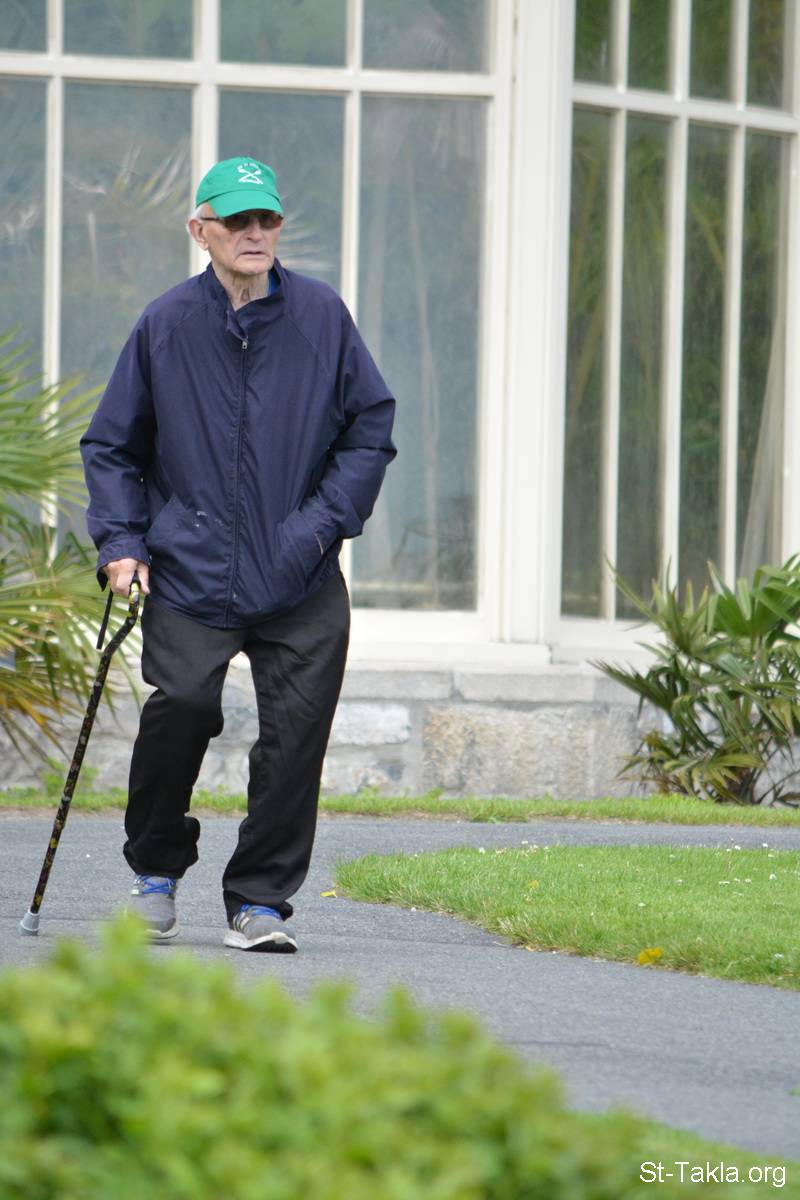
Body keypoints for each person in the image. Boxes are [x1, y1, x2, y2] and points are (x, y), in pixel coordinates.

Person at [80, 156, 396, 953]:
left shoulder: (322, 317)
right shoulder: (165, 324)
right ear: (202, 230)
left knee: (295, 737)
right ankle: (156, 872)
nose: (255, 233)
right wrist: (123, 543)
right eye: (237, 221)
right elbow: (112, 446)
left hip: (301, 575)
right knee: (181, 709)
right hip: (190, 571)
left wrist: (319, 525)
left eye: (267, 220)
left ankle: (259, 900)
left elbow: (370, 429)